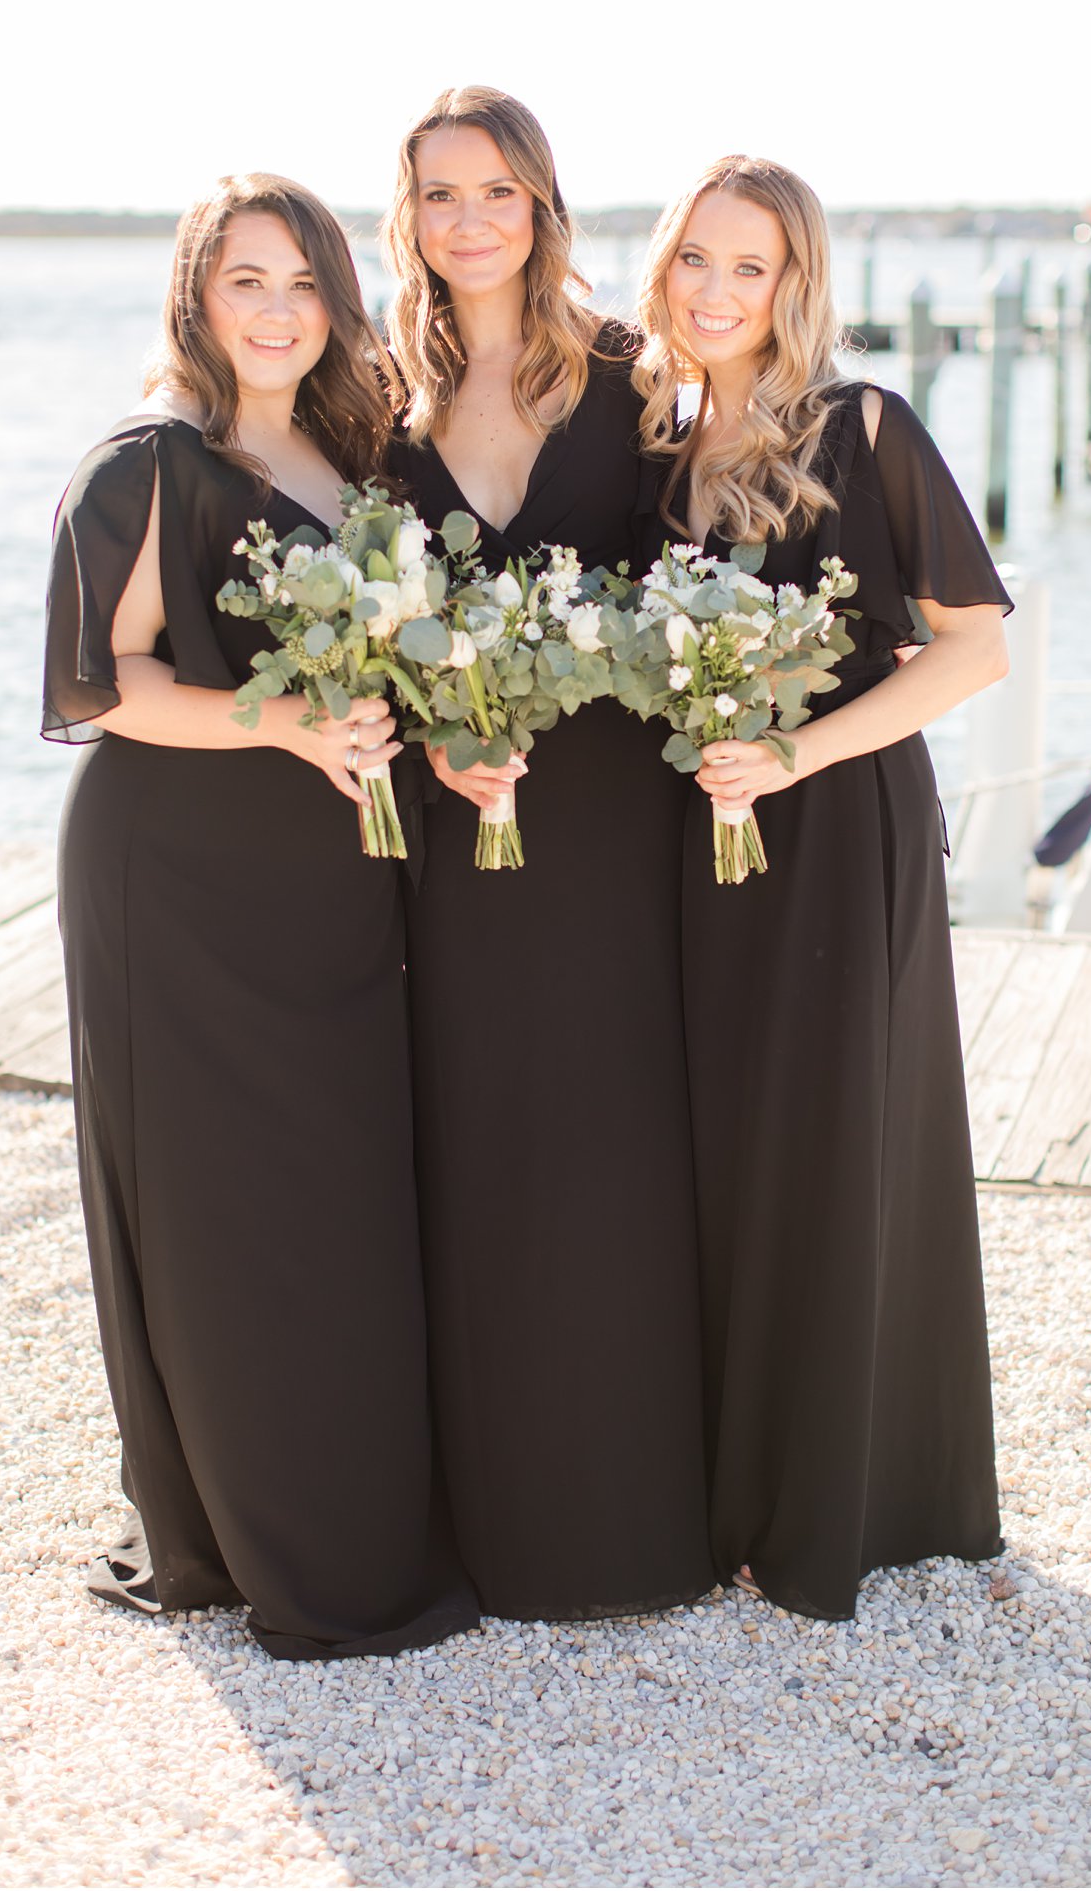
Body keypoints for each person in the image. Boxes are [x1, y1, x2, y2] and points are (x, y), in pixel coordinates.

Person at [42, 172, 479, 1660]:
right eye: (246, 280)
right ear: (196, 295)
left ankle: (359, 1498)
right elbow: (111, 685)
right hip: (178, 869)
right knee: (219, 1191)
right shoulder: (145, 463)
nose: (279, 310)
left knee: (342, 1176)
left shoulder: (360, 460)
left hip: (338, 864)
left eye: (303, 281)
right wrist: (290, 724)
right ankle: (247, 1538)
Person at [634, 154, 1009, 1621]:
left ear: (796, 285)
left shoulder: (863, 429)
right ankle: (721, 1482)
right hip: (691, 841)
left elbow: (973, 646)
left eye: (754, 267)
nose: (720, 292)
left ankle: (837, 1504)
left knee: (829, 1141)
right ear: (663, 269)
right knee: (715, 1148)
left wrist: (794, 753)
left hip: (837, 829)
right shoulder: (653, 450)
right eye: (696, 262)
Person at [384, 86, 715, 1620]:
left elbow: (710, 567)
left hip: (612, 826)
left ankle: (635, 1512)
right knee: (477, 1134)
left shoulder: (637, 378)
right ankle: (491, 1506)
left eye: (496, 190)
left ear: (542, 205)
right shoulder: (378, 397)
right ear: (411, 216)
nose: (470, 220)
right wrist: (439, 740)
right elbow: (365, 621)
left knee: (617, 1140)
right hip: (462, 832)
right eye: (441, 193)